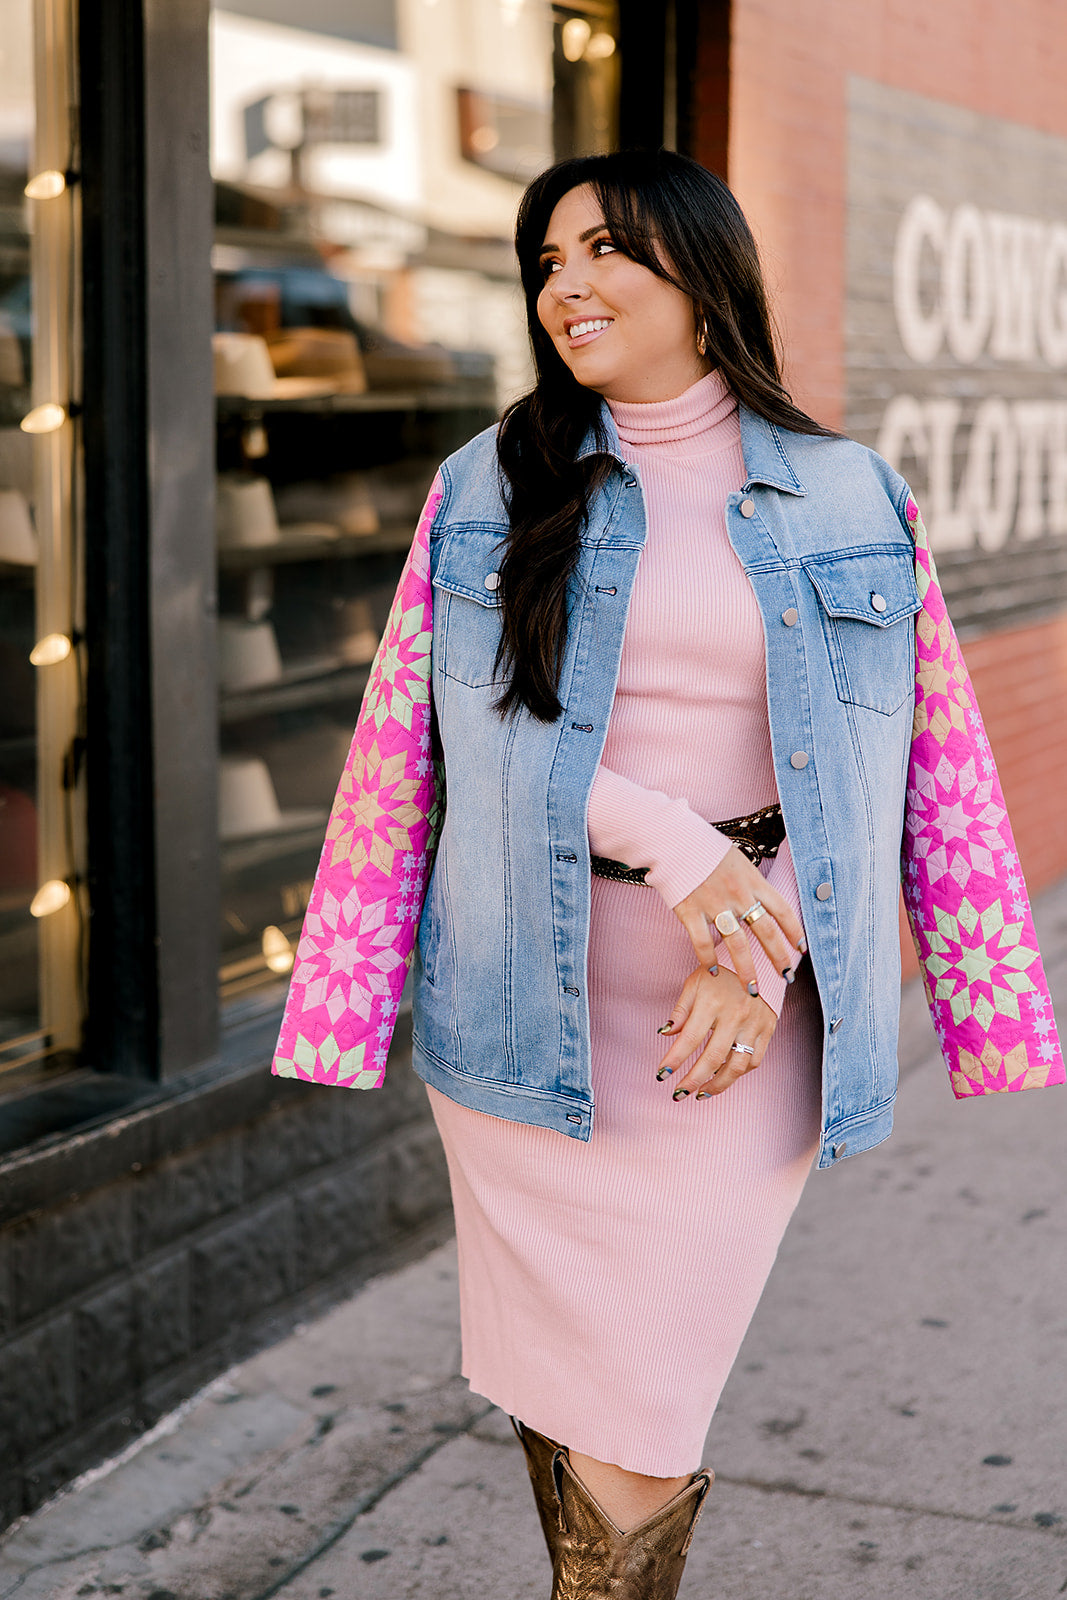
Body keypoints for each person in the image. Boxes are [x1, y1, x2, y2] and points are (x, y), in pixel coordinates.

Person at [273, 149, 1064, 1598]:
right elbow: (453, 733)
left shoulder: (846, 494)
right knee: (586, 1401)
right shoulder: (492, 479)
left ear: (702, 274)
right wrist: (679, 843)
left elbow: (916, 768)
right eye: (545, 262)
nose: (565, 285)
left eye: (602, 252)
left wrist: (763, 958)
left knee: (641, 1403)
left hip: (740, 1038)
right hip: (525, 1021)